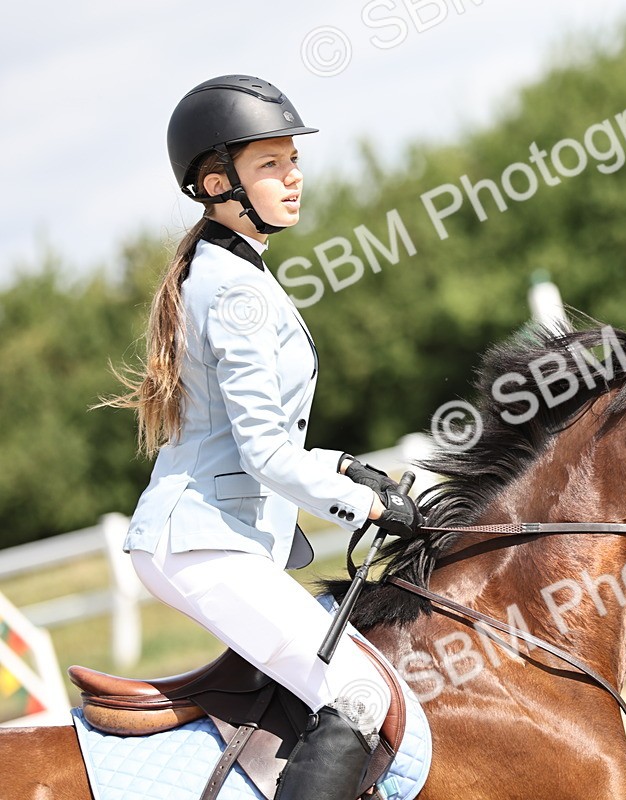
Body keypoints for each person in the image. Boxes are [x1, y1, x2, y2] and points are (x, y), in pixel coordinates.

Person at [101, 74, 419, 800]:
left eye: (293, 160)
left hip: (211, 537)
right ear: (218, 183)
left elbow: (255, 436)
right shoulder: (236, 288)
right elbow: (264, 455)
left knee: (327, 690)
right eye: (270, 165)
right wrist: (364, 508)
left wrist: (343, 466)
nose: (293, 177)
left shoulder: (232, 270)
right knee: (360, 695)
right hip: (203, 543)